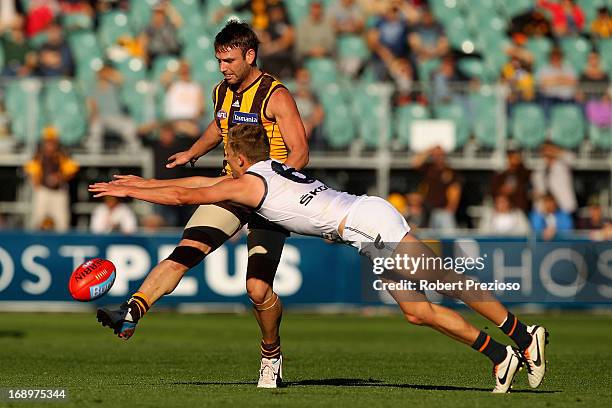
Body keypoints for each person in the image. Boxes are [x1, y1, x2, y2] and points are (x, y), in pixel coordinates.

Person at [90, 123, 549, 394]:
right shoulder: (268, 169)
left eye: (227, 156)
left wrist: (131, 188)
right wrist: (136, 184)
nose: (224, 163)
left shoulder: (249, 181)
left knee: (445, 281)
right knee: (416, 311)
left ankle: (524, 335)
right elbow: (192, 190)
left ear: (235, 155)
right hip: (362, 227)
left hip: (369, 222)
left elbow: (181, 194)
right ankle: (498, 356)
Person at [92, 21, 309, 389]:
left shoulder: (276, 95)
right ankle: (131, 310)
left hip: (272, 196)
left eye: (230, 60)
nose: (223, 68)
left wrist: (270, 185)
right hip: (230, 188)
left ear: (250, 56)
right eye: (219, 60)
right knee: (185, 252)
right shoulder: (222, 91)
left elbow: (300, 152)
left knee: (257, 289)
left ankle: (270, 353)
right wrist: (193, 151)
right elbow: (219, 124)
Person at [24, 126, 79, 232]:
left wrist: (60, 177)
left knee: (62, 223)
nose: (50, 145)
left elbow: (72, 170)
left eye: (52, 142)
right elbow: (31, 170)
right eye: (48, 142)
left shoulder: (62, 156)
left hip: (59, 193)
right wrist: (37, 184)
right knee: (37, 220)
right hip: (43, 192)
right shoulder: (38, 156)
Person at [86, 63, 140, 153]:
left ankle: (133, 150)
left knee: (129, 125)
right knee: (95, 127)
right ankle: (94, 152)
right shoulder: (92, 88)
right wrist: (92, 115)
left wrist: (109, 74)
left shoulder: (114, 86)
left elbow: (121, 79)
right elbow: (91, 105)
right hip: (101, 118)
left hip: (115, 117)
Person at [412, 146, 462, 232]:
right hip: (430, 210)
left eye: (440, 154)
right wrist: (429, 151)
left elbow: (455, 190)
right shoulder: (429, 169)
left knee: (449, 236)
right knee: (432, 238)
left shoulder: (449, 171)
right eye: (436, 155)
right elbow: (415, 163)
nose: (438, 157)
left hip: (444, 211)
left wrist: (451, 207)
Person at [531, 142, 577, 215]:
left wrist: (555, 152)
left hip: (564, 208)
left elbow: (573, 159)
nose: (547, 153)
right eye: (544, 151)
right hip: (544, 211)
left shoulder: (563, 165)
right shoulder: (538, 170)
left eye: (550, 150)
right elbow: (537, 190)